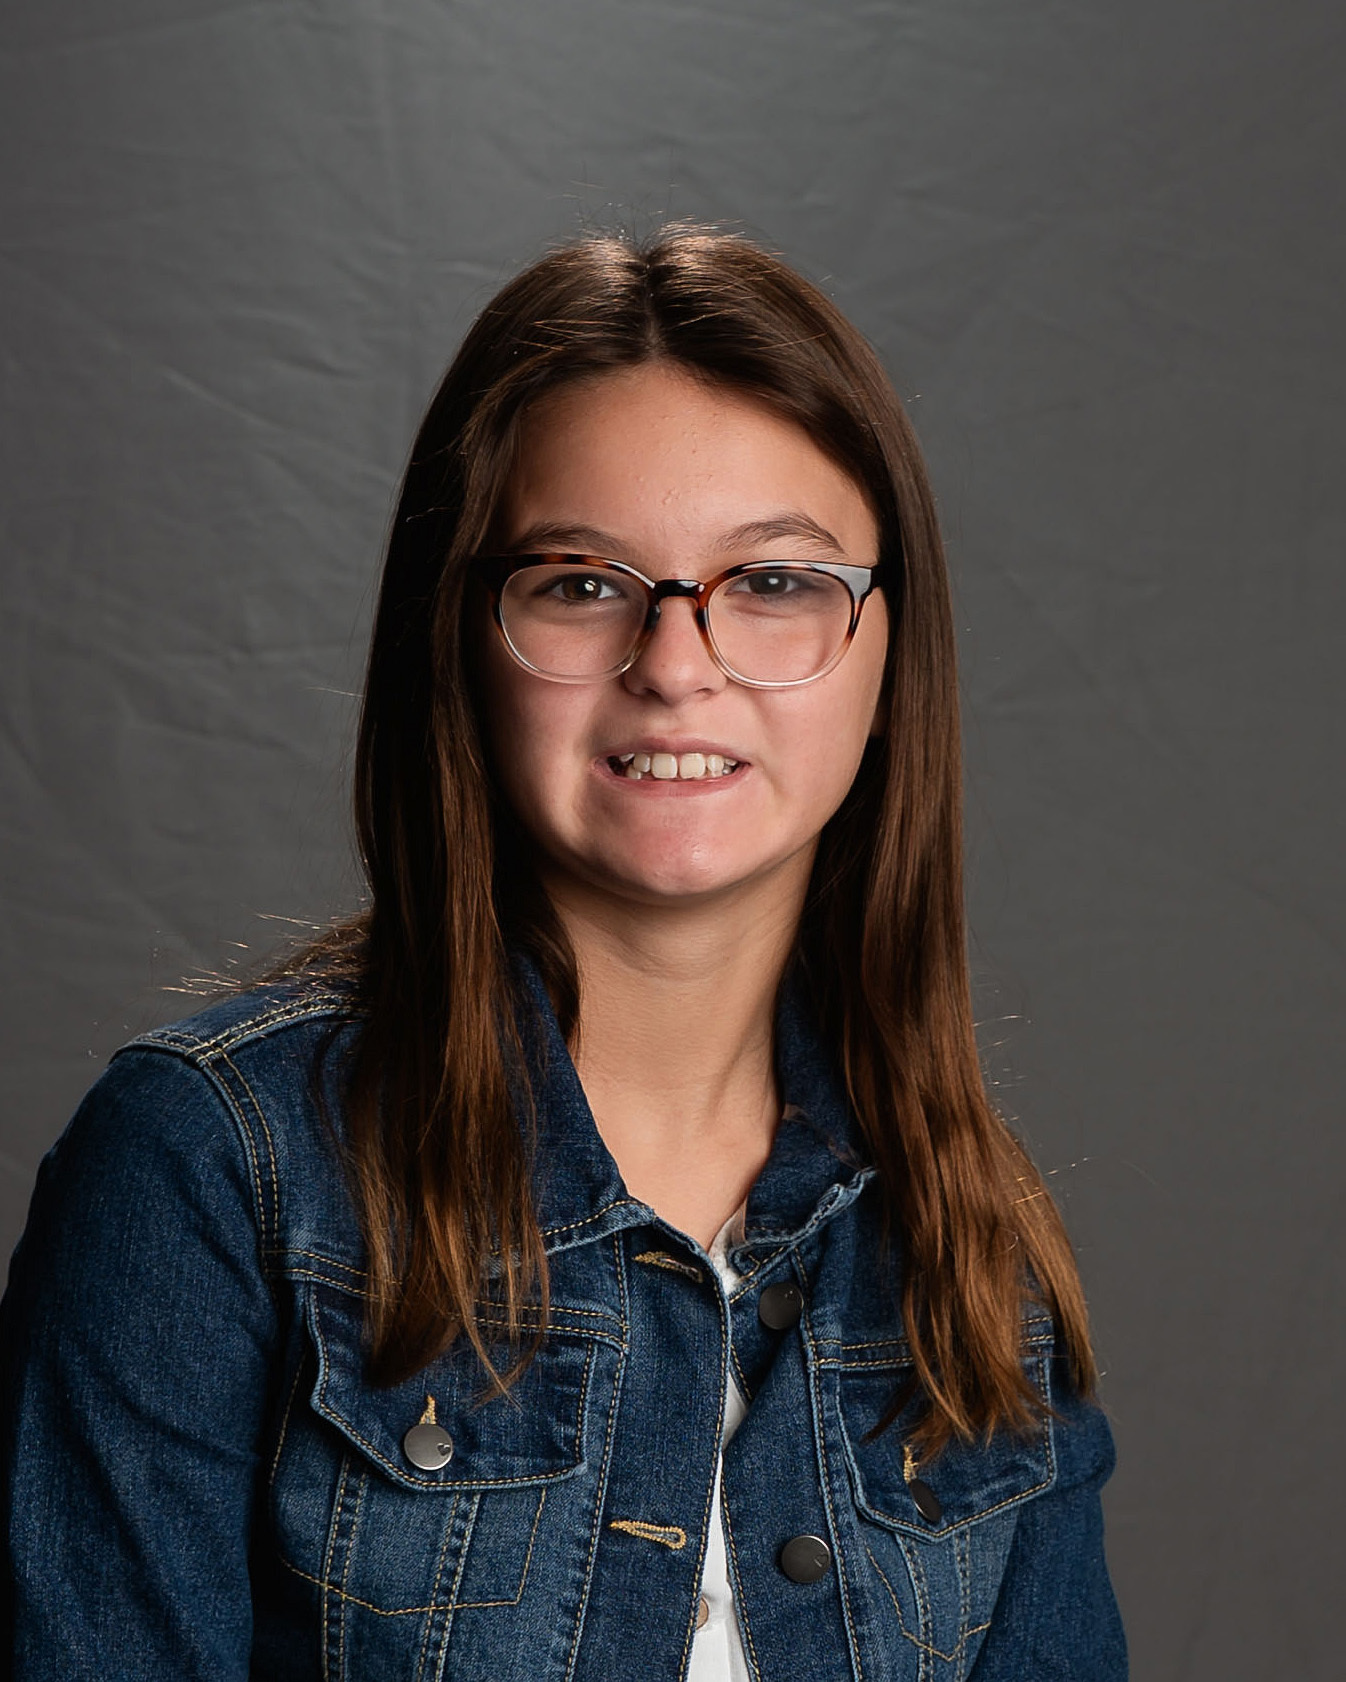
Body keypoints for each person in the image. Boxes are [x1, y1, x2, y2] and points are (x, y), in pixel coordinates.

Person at [0, 225, 1126, 1681]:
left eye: (775, 581)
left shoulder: (964, 1242)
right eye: (582, 583)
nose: (676, 665)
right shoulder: (210, 1170)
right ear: (460, 637)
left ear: (884, 650)